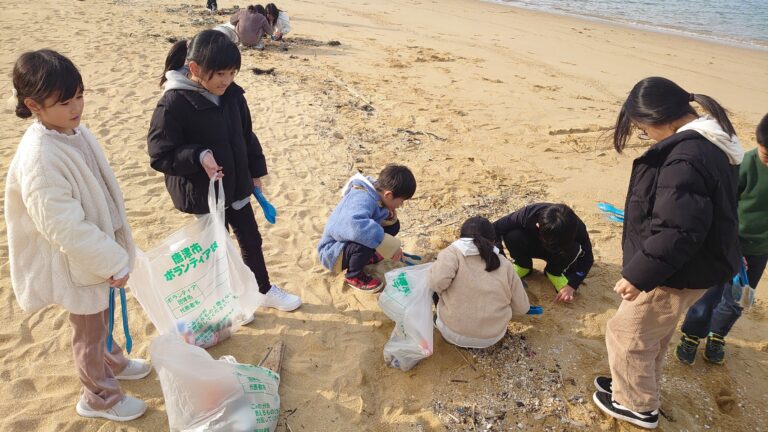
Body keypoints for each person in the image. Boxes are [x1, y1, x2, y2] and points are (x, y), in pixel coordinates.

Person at [5, 50, 151, 421]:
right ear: (34, 105)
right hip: (78, 262)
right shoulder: (40, 157)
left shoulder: (70, 131)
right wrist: (110, 259)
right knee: (87, 331)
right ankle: (97, 396)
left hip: (94, 254)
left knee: (99, 320)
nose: (77, 107)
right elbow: (63, 227)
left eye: (80, 96)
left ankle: (113, 362)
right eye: (66, 102)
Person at [592, 77, 742, 430]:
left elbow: (679, 230)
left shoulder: (686, 157)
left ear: (661, 118)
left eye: (643, 130)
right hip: (696, 265)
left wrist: (638, 275)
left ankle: (637, 405)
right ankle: (635, 384)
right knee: (653, 333)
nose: (646, 136)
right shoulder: (711, 141)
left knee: (627, 333)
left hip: (674, 271)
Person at [147, 30, 301, 312]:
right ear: (194, 68)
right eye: (220, 74)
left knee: (251, 239)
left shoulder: (233, 96)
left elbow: (246, 136)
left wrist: (255, 173)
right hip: (203, 194)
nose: (226, 81)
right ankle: (226, 299)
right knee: (216, 248)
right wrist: (197, 155)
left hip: (238, 184)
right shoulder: (173, 103)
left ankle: (262, 289)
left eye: (232, 73)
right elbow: (161, 154)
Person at [675, 113, 768, 365]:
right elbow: (724, 207)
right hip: (726, 243)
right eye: (766, 154)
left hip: (759, 250)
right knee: (708, 293)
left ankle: (718, 334)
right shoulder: (743, 165)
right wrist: (733, 247)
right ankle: (692, 334)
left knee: (738, 298)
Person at [429, 217, 530, 349]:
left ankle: (447, 325)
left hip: (452, 333)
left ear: (461, 237)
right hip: (492, 337)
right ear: (494, 241)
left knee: (433, 281)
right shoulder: (504, 264)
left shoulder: (452, 253)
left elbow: (436, 283)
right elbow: (522, 308)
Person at [317, 165, 416, 292]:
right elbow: (355, 226)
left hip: (346, 244)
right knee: (364, 240)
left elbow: (372, 216)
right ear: (388, 195)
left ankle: (367, 256)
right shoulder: (362, 198)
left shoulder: (375, 192)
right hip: (332, 253)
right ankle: (354, 276)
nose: (400, 205)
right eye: (401, 201)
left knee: (393, 226)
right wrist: (390, 246)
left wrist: (386, 213)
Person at [493, 203, 594, 303]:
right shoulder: (528, 214)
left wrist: (572, 285)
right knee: (512, 234)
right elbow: (493, 230)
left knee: (576, 247)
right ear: (538, 225)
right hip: (531, 244)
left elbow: (588, 258)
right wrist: (503, 264)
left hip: (559, 254)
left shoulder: (577, 228)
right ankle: (523, 265)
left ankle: (554, 272)